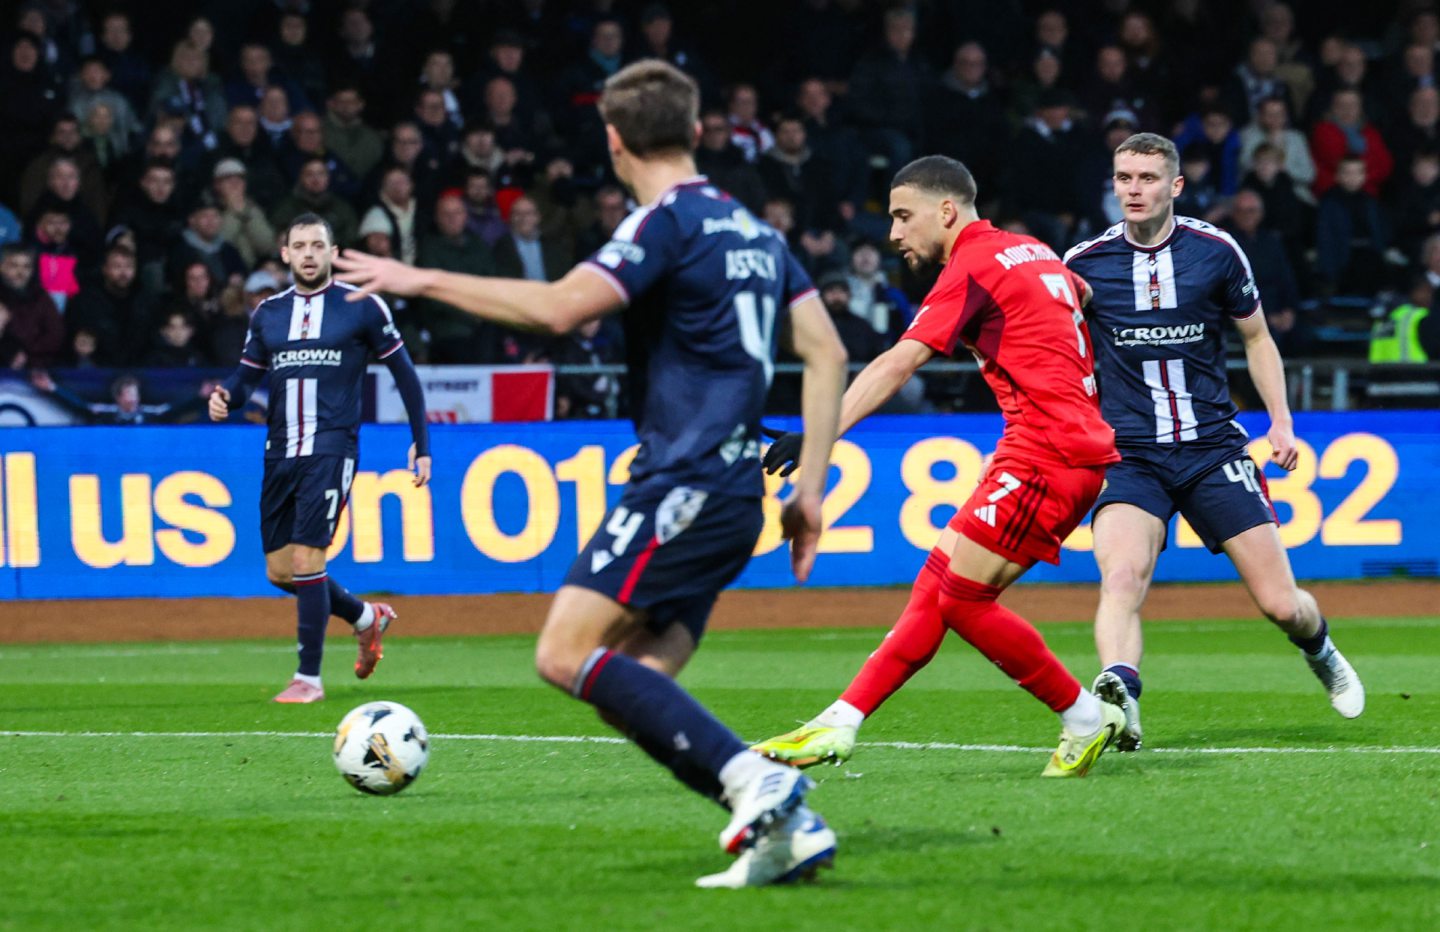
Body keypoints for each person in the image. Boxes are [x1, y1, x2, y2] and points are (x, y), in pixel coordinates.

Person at [334, 59, 848, 889]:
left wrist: (418, 277)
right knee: (631, 684)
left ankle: (763, 783)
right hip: (733, 497)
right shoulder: (756, 231)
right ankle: (784, 833)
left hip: (680, 483)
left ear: (614, 139)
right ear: (692, 128)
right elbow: (826, 351)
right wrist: (808, 489)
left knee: (562, 651)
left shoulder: (664, 223)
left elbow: (561, 309)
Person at [752, 155, 1126, 778]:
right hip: (1044, 448)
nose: (893, 232)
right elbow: (1079, 292)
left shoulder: (973, 262)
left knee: (962, 603)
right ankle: (840, 721)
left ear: (946, 210)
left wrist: (819, 435)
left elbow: (899, 363)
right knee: (937, 584)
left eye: (903, 216)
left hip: (1049, 453)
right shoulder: (1030, 250)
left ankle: (1085, 716)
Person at [1063, 133, 1364, 749]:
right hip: (1129, 455)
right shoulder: (1083, 265)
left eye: (1147, 178)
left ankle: (1320, 647)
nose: (1134, 189)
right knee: (1121, 577)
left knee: (1282, 605)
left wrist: (1280, 420)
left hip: (1211, 451)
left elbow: (1256, 339)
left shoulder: (1217, 252)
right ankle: (1121, 698)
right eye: (1124, 178)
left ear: (1175, 186)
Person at [207, 213, 431, 704]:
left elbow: (406, 375)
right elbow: (246, 378)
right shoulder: (267, 313)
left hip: (331, 448)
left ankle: (308, 678)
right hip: (280, 451)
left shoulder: (362, 306)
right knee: (282, 571)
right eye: (299, 246)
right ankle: (366, 618)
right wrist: (227, 395)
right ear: (284, 254)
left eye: (317, 245)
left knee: (310, 558)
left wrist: (421, 442)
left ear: (333, 252)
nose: (308, 254)